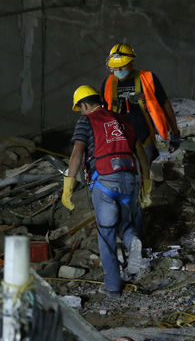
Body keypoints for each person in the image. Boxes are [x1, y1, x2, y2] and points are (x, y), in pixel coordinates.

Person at [61, 85, 152, 298]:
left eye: (80, 108)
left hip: (104, 182)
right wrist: (146, 183)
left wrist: (68, 186)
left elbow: (77, 154)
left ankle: (112, 287)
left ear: (84, 105)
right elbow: (140, 151)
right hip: (130, 179)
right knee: (125, 224)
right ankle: (133, 242)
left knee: (106, 233)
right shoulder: (123, 120)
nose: (81, 112)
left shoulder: (86, 121)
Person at [102, 43, 181, 164]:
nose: (118, 70)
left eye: (122, 67)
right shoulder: (107, 84)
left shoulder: (148, 78)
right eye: (115, 67)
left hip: (145, 138)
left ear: (131, 63)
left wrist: (175, 133)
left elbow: (165, 104)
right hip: (119, 140)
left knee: (146, 173)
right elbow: (101, 114)